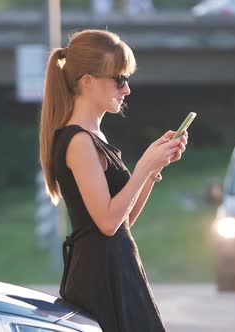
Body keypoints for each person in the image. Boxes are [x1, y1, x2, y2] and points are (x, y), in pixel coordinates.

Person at [38, 29, 187, 332]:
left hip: (114, 268)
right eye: (119, 79)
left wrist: (153, 167)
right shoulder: (79, 140)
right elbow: (106, 223)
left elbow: (124, 219)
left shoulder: (95, 137)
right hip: (100, 276)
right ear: (87, 81)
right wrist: (144, 164)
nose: (127, 89)